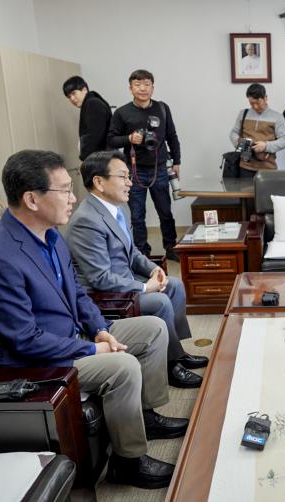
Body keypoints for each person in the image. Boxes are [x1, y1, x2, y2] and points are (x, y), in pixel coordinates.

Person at [0, 149, 187, 489]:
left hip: (72, 336)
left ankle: (145, 416)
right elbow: (24, 339)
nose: (73, 199)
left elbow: (78, 295)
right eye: (65, 191)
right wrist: (91, 350)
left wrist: (100, 329)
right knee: (123, 366)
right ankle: (128, 462)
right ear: (32, 199)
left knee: (153, 328)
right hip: (35, 360)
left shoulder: (51, 235)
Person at [66, 150, 208, 389]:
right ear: (99, 182)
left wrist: (154, 270)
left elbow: (132, 252)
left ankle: (176, 352)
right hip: (104, 295)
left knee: (174, 284)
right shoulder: (86, 221)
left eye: (128, 176)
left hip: (124, 281)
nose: (130, 182)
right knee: (160, 301)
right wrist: (144, 287)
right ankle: (170, 366)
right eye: (123, 176)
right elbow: (100, 278)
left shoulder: (118, 208)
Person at [108, 69, 181, 260]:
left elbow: (172, 136)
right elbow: (111, 140)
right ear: (130, 88)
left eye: (147, 84)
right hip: (134, 170)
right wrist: (129, 138)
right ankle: (142, 252)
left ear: (152, 88)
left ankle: (171, 247)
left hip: (160, 167)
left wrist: (177, 161)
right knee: (137, 215)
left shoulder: (162, 108)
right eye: (138, 84)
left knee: (165, 211)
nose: (143, 88)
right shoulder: (122, 112)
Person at [229, 83, 285, 177]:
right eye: (251, 103)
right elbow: (234, 132)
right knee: (244, 188)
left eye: (258, 103)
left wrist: (266, 146)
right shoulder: (243, 114)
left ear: (266, 98)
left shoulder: (277, 117)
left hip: (268, 169)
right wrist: (239, 142)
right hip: (245, 167)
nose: (255, 107)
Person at [62, 75, 111, 161]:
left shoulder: (93, 104)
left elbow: (94, 137)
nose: (72, 99)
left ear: (84, 90)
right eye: (69, 97)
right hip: (101, 158)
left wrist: (84, 157)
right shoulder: (91, 103)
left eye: (74, 93)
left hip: (101, 160)